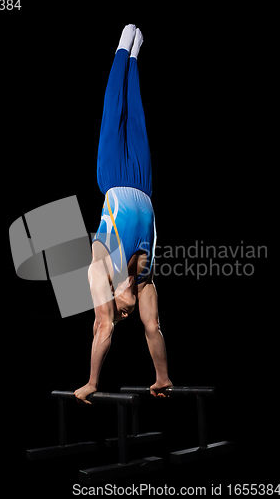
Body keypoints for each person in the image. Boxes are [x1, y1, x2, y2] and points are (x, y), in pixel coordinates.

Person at [74, 25, 172, 404]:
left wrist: (93, 381)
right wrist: (162, 377)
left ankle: (121, 49)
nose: (124, 317)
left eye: (121, 316)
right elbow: (154, 328)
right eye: (125, 316)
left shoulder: (100, 273)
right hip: (145, 184)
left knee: (114, 111)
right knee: (138, 119)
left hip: (113, 177)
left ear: (115, 303)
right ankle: (135, 57)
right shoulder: (145, 285)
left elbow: (101, 327)